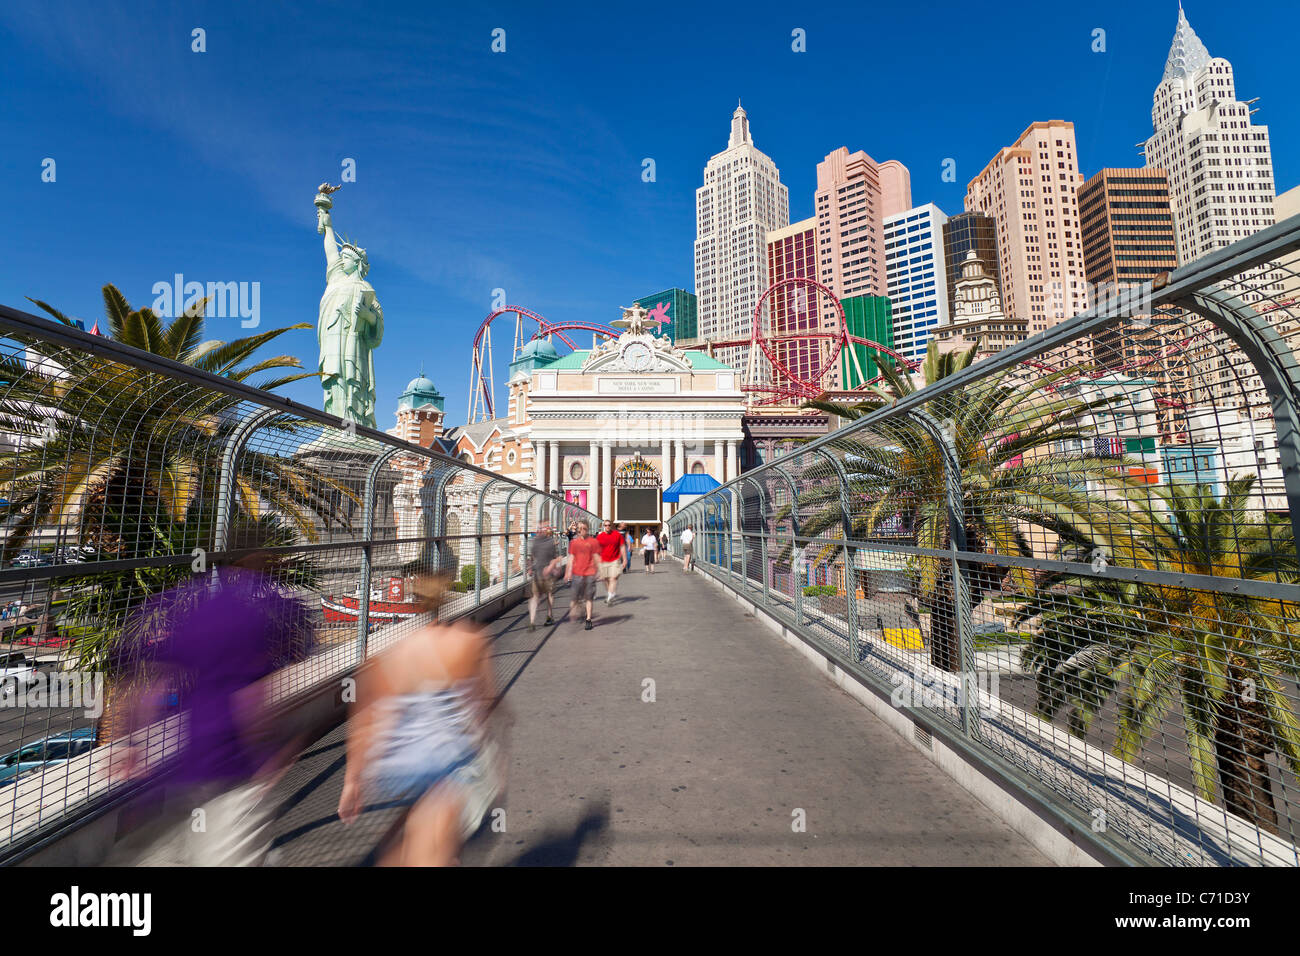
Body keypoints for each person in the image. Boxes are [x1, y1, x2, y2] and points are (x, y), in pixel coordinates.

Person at [118, 524, 315, 866]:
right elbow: (250, 698)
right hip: (235, 767)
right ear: (258, 560)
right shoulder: (255, 615)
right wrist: (272, 756)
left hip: (188, 763)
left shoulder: (195, 610)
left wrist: (130, 743)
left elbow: (153, 684)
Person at [338, 573, 502, 866]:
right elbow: (486, 701)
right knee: (432, 848)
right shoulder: (469, 640)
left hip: (402, 763)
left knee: (419, 836)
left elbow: (367, 719)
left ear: (416, 603)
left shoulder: (393, 654)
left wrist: (352, 780)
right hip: (449, 761)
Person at [564, 520, 601, 630]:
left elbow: (596, 557)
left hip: (589, 573)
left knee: (588, 598)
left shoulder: (593, 542)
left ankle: (588, 619)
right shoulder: (574, 543)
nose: (581, 531)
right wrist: (567, 573)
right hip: (577, 573)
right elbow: (571, 558)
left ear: (588, 529)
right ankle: (579, 606)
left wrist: (600, 571)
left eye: (584, 528)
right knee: (576, 598)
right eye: (579, 529)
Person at [526, 522, 560, 631]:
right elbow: (556, 558)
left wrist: (530, 568)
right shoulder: (552, 543)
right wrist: (553, 567)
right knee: (549, 595)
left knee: (535, 597)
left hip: (538, 573)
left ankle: (532, 621)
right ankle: (549, 616)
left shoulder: (535, 542)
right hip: (547, 575)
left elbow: (531, 557)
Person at [595, 519, 627, 606]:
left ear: (611, 526)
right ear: (603, 526)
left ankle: (609, 597)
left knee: (613, 578)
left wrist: (624, 559)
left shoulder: (617, 535)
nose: (607, 527)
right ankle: (611, 592)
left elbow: (622, 547)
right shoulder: (600, 537)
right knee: (605, 579)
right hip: (603, 561)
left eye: (609, 525)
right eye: (605, 525)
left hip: (615, 560)